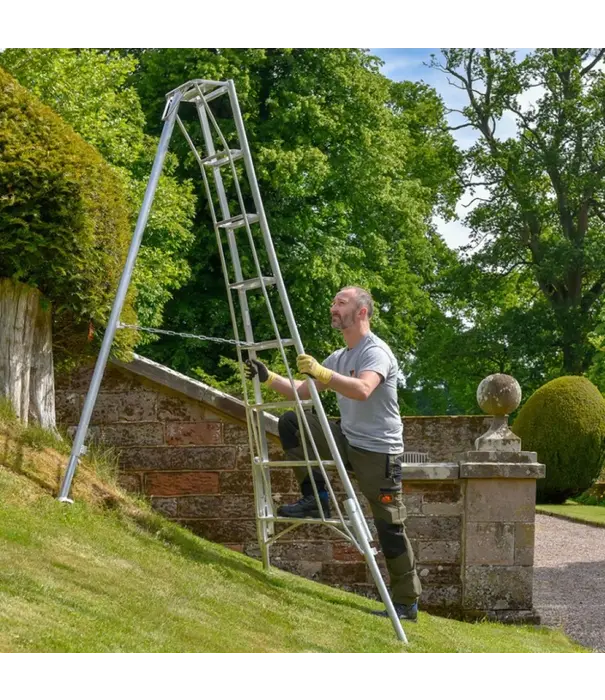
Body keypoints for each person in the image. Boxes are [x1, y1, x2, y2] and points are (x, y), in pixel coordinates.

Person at [244, 286, 422, 621]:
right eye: (333, 301)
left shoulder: (375, 352)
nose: (333, 307)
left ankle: (406, 602)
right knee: (293, 421)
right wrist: (268, 377)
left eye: (341, 303)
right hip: (346, 440)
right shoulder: (339, 357)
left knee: (390, 527)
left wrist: (323, 374)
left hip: (379, 456)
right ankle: (317, 497)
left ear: (362, 313)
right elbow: (300, 391)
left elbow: (364, 389)